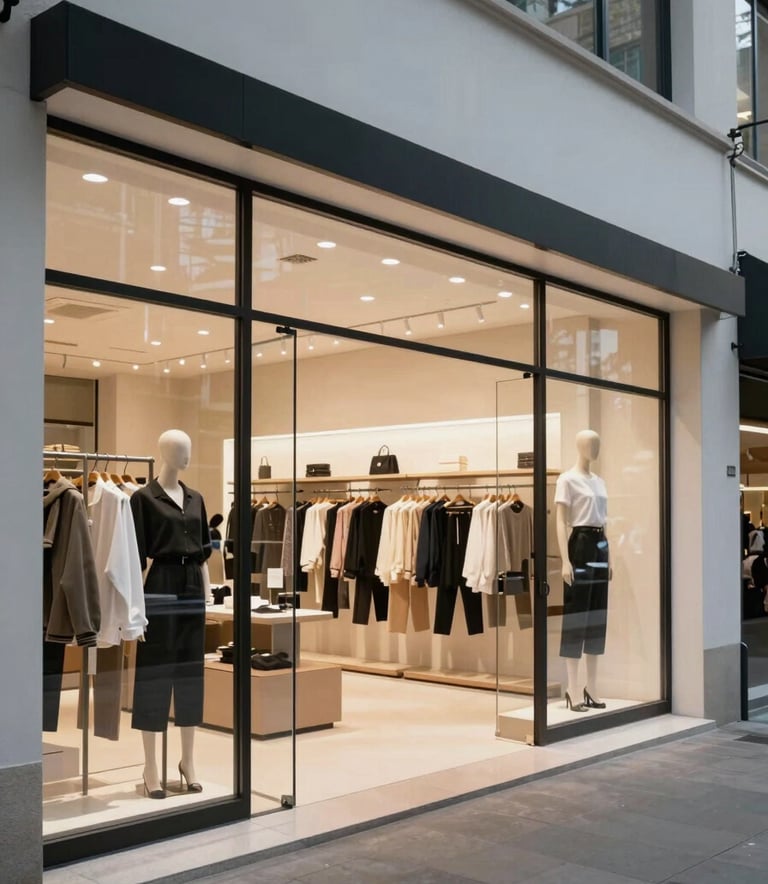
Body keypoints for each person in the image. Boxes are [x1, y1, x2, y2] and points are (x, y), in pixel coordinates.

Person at [130, 430, 211, 798]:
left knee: (191, 672)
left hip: (193, 584)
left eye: (189, 449)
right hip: (160, 583)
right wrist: (135, 610)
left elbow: (205, 553)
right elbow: (133, 560)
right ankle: (150, 766)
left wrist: (207, 596)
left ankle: (188, 761)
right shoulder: (143, 499)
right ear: (164, 452)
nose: (187, 455)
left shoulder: (196, 499)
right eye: (181, 449)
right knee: (155, 672)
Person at [555, 430, 610, 713]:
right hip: (580, 544)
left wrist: (608, 557)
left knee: (598, 615)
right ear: (579, 446)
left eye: (598, 443)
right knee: (577, 615)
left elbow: (604, 521)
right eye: (591, 444)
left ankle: (592, 686)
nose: (595, 448)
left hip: (600, 545)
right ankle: (572, 688)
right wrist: (565, 560)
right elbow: (560, 522)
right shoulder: (567, 479)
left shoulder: (599, 482)